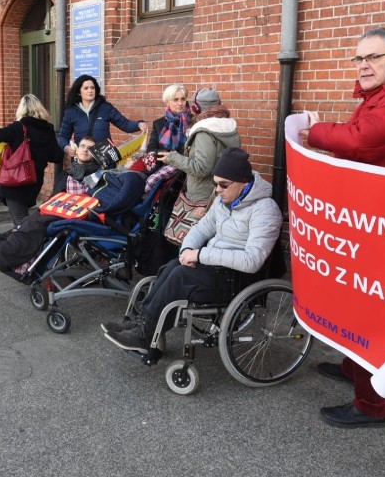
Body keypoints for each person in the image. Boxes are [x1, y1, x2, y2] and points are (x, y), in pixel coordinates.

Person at [300, 26, 385, 429]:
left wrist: (313, 132)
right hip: (371, 215)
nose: (363, 66)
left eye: (373, 57)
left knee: (373, 311)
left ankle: (371, 405)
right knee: (357, 299)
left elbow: (360, 141)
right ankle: (353, 366)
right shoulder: (382, 96)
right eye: (358, 58)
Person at [103, 147, 283, 353]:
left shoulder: (265, 210)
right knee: (170, 267)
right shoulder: (224, 201)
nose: (217, 190)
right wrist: (187, 249)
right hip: (216, 266)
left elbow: (253, 261)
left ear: (244, 183)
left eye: (224, 185)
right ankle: (141, 324)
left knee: (180, 276)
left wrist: (200, 254)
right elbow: (202, 228)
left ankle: (145, 332)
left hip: (237, 278)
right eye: (215, 184)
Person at [0, 135, 105, 272]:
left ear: (95, 153)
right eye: (82, 146)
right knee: (25, 222)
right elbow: (55, 196)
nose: (85, 150)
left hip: (73, 214)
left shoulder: (97, 174)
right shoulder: (69, 171)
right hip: (58, 208)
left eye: (90, 148)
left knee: (33, 225)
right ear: (77, 148)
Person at [0, 94, 64, 227]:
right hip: (34, 181)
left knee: (22, 223)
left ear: (21, 109)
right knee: (18, 221)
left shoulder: (18, 127)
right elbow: (57, 157)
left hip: (16, 180)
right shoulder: (48, 130)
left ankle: (37, 246)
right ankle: (19, 246)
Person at [157, 88, 241, 201]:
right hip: (223, 192)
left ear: (196, 108)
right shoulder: (228, 126)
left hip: (203, 195)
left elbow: (201, 168)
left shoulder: (204, 131)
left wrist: (173, 157)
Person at [57, 74, 148, 158]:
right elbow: (62, 136)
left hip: (105, 157)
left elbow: (125, 124)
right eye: (86, 88)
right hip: (83, 158)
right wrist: (66, 148)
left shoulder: (106, 108)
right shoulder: (71, 112)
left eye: (92, 88)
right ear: (79, 92)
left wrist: (138, 124)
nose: (90, 90)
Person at [147, 84, 192, 155]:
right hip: (166, 164)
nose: (180, 103)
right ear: (167, 102)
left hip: (188, 164)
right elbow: (150, 150)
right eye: (175, 100)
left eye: (183, 99)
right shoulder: (158, 124)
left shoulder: (194, 121)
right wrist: (168, 155)